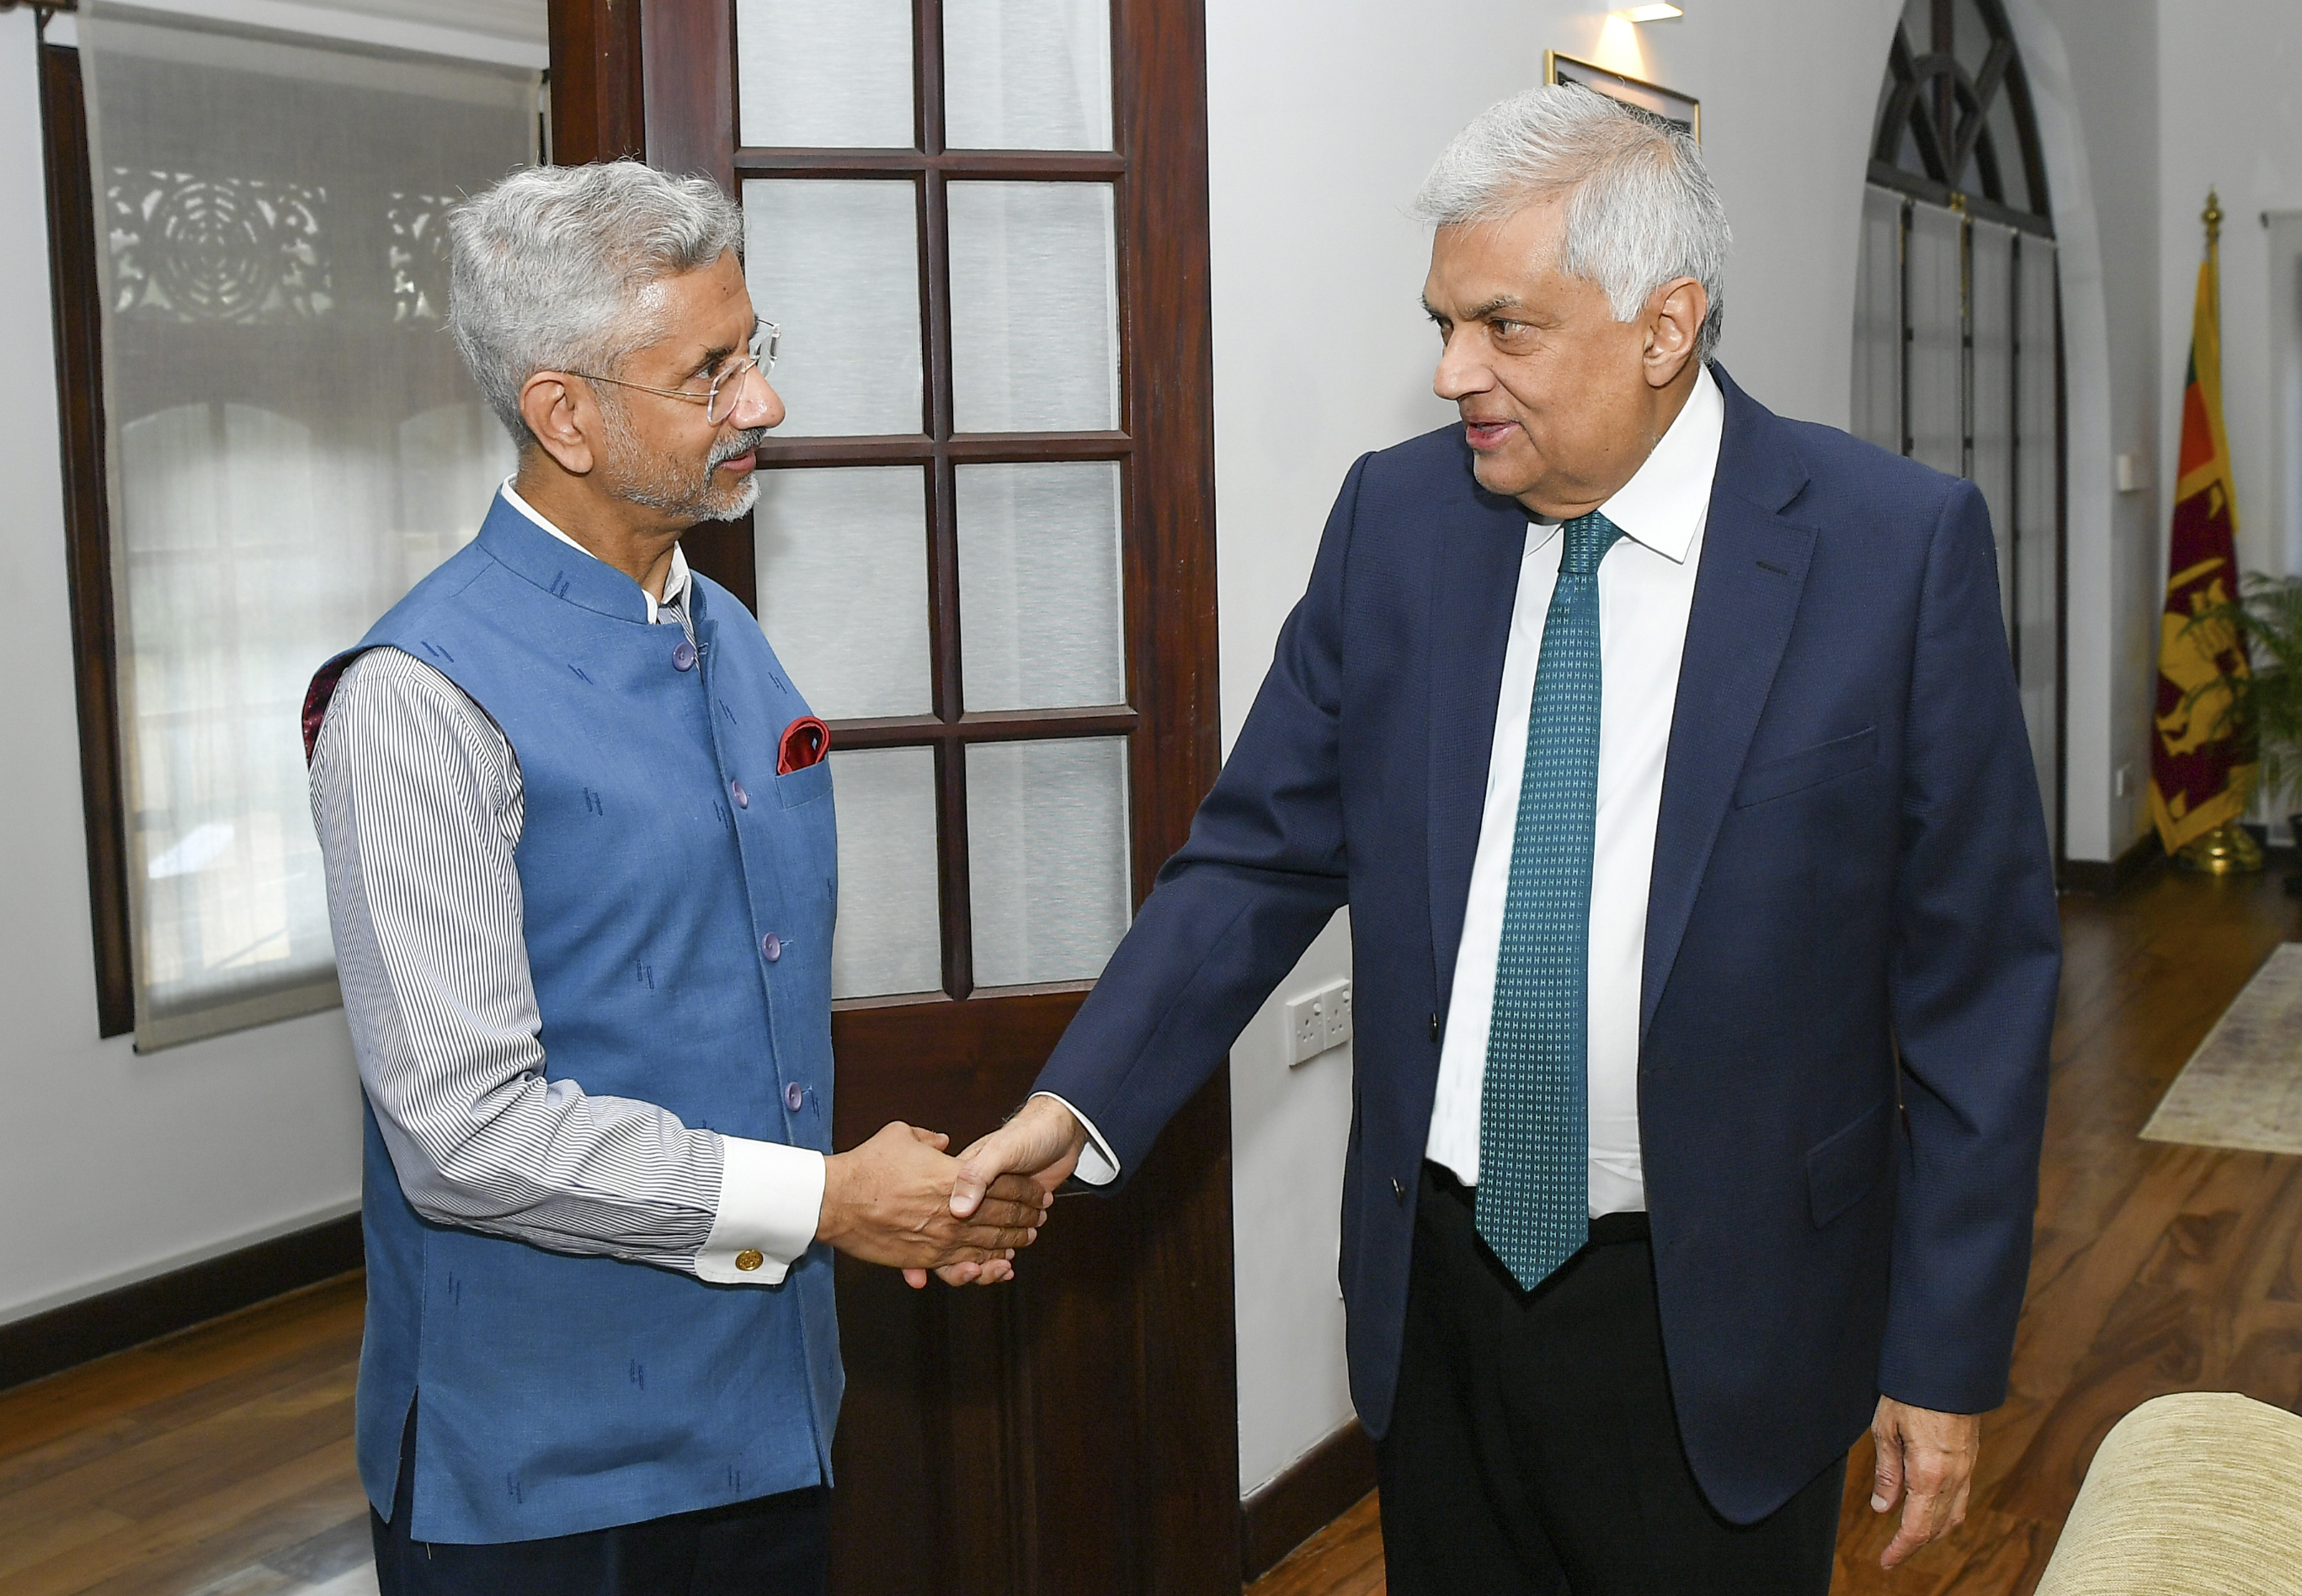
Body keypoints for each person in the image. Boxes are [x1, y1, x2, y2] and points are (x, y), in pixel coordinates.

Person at [946, 86, 2059, 1593]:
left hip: (1723, 1317)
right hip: (1442, 1297)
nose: (1451, 372)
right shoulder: (1396, 525)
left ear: (1665, 327)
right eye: (1442, 322)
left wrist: (1941, 1352)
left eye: (1502, 327)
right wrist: (1077, 1106)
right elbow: (1256, 855)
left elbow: (1976, 988)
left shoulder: (1890, 547)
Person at [302, 161, 1047, 1596]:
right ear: (562, 413)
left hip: (769, 1416)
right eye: (708, 373)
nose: (759, 403)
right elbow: (464, 1135)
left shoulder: (728, 633)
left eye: (753, 351)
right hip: (541, 1477)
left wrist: (909, 1202)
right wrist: (828, 1200)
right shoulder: (414, 700)